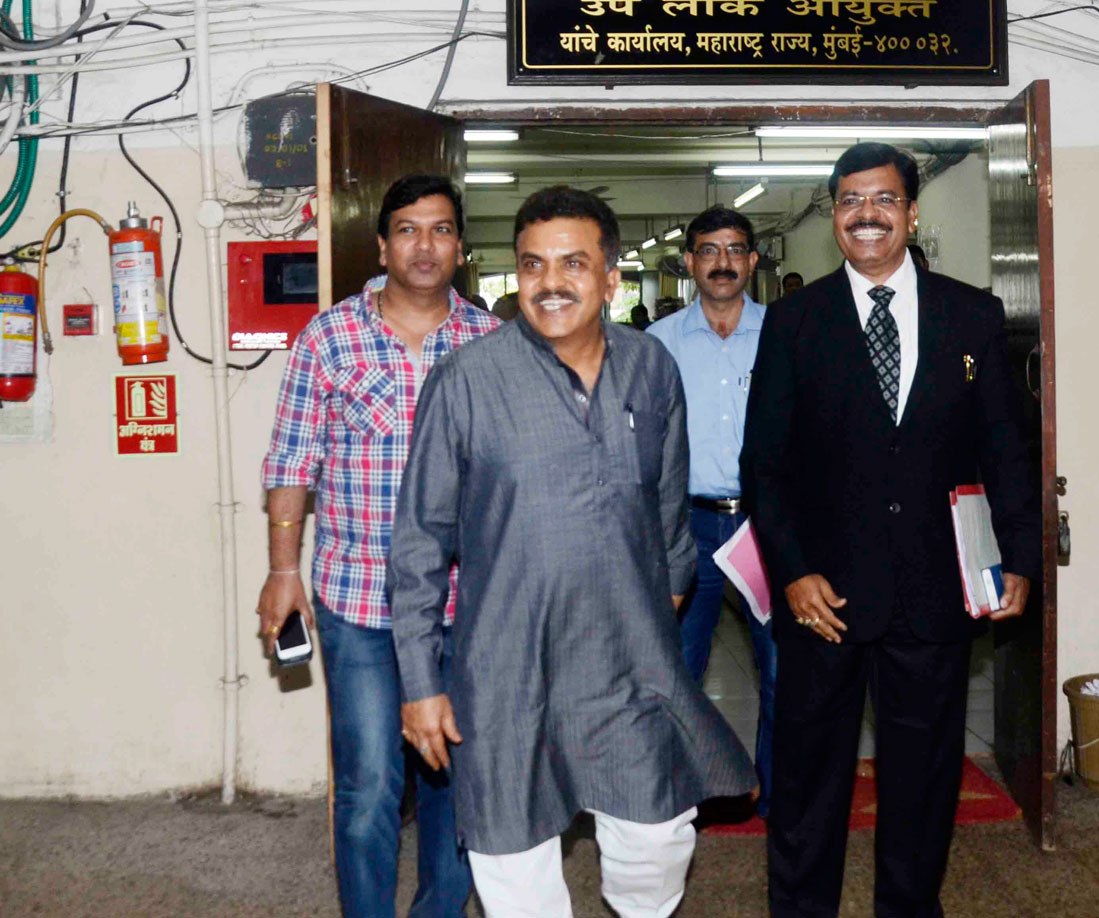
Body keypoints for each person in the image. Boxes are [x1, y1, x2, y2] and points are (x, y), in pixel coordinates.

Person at [389, 185, 756, 918]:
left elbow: (668, 514)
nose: (550, 283)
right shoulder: (466, 380)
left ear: (612, 278)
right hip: (505, 665)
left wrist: (655, 606)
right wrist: (421, 682)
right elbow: (420, 540)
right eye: (532, 265)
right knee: (511, 857)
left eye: (573, 264)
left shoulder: (651, 368)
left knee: (657, 835)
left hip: (626, 662)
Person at [740, 142, 1040, 918]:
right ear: (835, 216)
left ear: (911, 211)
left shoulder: (973, 314)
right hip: (824, 600)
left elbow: (1007, 449)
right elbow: (763, 465)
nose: (865, 214)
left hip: (933, 592)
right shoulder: (794, 322)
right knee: (809, 780)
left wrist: (1019, 558)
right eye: (848, 201)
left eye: (882, 200)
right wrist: (793, 572)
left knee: (923, 777)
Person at [257, 175, 498, 918]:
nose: (424, 246)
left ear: (460, 246)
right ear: (382, 243)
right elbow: (292, 461)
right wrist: (281, 572)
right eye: (408, 229)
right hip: (359, 601)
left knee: (456, 784)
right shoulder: (329, 336)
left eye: (441, 230)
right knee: (367, 787)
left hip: (465, 604)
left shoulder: (491, 342)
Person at [647, 205, 777, 818]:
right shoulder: (658, 344)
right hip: (685, 528)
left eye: (734, 250)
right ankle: (680, 800)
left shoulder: (786, 334)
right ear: (690, 262)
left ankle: (776, 800)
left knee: (781, 670)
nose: (722, 262)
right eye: (708, 250)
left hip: (765, 527)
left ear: (752, 261)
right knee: (677, 673)